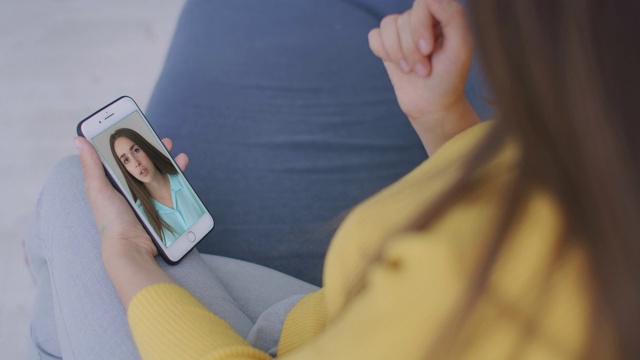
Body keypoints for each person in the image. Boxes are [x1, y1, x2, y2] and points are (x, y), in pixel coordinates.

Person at [25, 0, 640, 359]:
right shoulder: (597, 175)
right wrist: (445, 119)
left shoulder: (468, 283)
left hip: (312, 331)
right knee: (76, 218)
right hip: (318, 320)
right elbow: (501, 199)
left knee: (72, 202)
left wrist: (127, 255)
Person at [110, 128, 206, 247]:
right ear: (125, 170)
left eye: (135, 150)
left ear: (145, 148)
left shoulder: (180, 177)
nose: (136, 162)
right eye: (126, 160)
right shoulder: (140, 214)